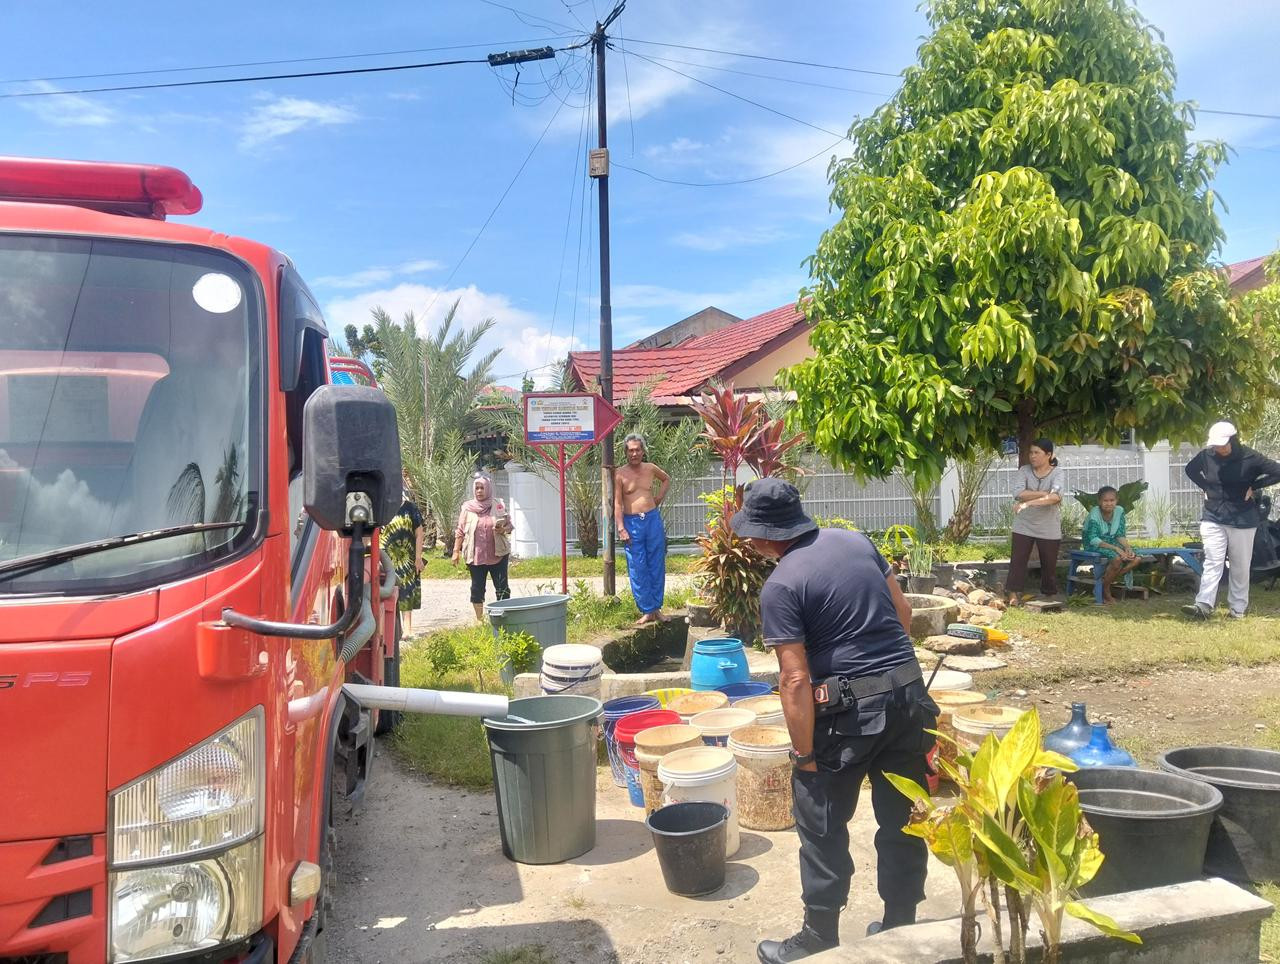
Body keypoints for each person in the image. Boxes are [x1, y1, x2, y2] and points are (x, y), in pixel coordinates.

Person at [732, 477, 938, 963]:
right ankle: (899, 928)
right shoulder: (856, 541)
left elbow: (795, 680)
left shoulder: (781, 585)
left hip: (846, 719)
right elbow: (903, 613)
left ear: (762, 536)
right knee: (904, 817)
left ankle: (820, 935)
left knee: (820, 820)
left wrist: (803, 757)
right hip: (910, 701)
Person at [1182, 421, 1280, 620]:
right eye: (1216, 445)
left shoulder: (1250, 457)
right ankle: (1203, 604)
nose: (1219, 449)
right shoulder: (1207, 456)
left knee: (1240, 565)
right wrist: (1205, 487)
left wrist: (1256, 486)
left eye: (1223, 445)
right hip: (1213, 515)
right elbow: (1190, 470)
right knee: (1212, 560)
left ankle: (1237, 609)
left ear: (1233, 440)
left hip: (1242, 518)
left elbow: (1277, 471)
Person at [614, 433, 670, 625]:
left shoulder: (650, 468)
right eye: (630, 450)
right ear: (626, 452)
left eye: (637, 449)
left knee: (656, 563)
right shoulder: (620, 473)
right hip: (632, 523)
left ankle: (657, 608)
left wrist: (659, 498)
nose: (634, 453)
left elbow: (666, 479)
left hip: (652, 520)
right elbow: (617, 503)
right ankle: (647, 610)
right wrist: (621, 527)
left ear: (643, 451)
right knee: (638, 566)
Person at [1005, 437, 1065, 606]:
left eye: (1037, 453)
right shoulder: (1024, 470)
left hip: (1048, 525)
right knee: (1018, 559)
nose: (1032, 456)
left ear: (1049, 455)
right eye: (1031, 452)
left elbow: (1055, 498)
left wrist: (1028, 502)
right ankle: (1013, 593)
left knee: (1049, 562)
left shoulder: (1057, 472)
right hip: (1023, 525)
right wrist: (1043, 493)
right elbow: (1018, 493)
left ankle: (1048, 595)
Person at [453, 472, 512, 621]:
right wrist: (455, 552)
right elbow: (460, 531)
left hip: (498, 554)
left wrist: (502, 529)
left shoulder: (498, 504)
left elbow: (509, 526)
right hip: (476, 556)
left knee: (502, 587)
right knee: (477, 588)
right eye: (477, 488)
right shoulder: (467, 508)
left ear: (488, 489)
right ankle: (479, 620)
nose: (479, 491)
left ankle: (503, 618)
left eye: (482, 488)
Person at [1082, 486, 1141, 604]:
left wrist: (1127, 548)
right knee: (1117, 559)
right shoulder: (1094, 513)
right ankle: (1106, 591)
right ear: (1099, 501)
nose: (1109, 503)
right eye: (1105, 501)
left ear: (1116, 501)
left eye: (1112, 500)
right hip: (1094, 543)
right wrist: (1117, 549)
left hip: (1111, 541)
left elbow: (1120, 535)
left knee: (1136, 559)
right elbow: (1093, 539)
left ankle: (1105, 583)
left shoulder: (1119, 511)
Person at [383, 475, 425, 633]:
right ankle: (393, 630)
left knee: (406, 590)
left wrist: (418, 557)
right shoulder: (382, 507)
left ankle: (408, 629)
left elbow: (419, 533)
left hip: (407, 557)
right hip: (385, 558)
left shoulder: (410, 508)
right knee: (387, 591)